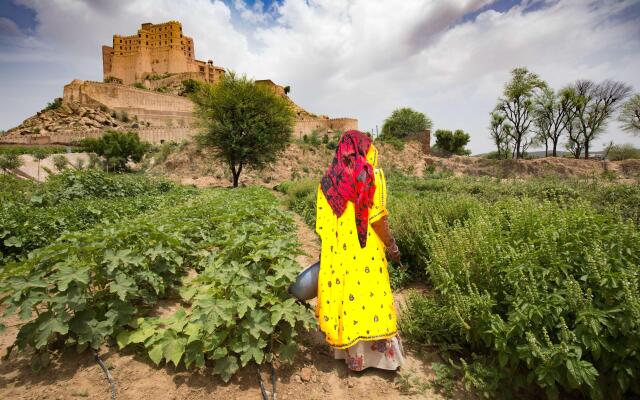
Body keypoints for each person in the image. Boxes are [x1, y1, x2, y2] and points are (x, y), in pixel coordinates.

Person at [315, 130, 405, 372]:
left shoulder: (327, 182)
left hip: (339, 255)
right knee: (371, 299)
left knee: (347, 298)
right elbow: (377, 219)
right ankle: (379, 359)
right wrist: (392, 245)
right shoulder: (370, 175)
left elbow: (322, 226)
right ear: (364, 149)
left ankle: (351, 357)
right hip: (366, 253)